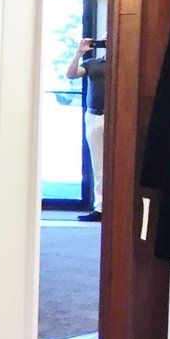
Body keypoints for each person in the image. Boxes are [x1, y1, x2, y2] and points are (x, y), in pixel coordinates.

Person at [67, 37, 106, 222]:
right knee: (98, 163)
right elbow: (71, 74)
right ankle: (100, 208)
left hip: (117, 118)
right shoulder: (92, 64)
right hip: (94, 116)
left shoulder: (124, 64)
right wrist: (79, 52)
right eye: (105, 40)